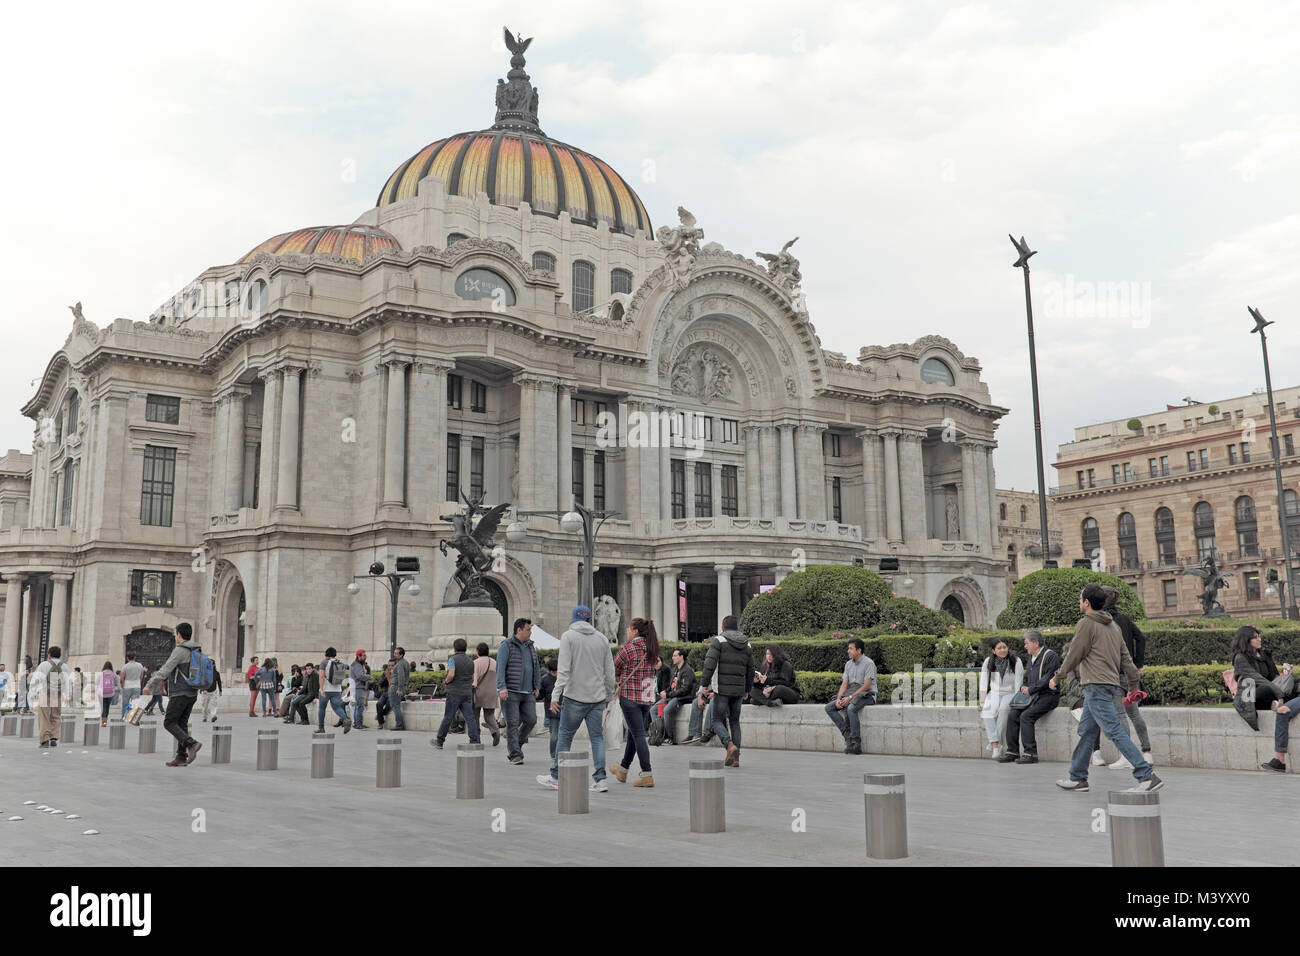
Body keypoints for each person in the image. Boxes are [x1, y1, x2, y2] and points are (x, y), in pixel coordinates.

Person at [1051, 584, 1162, 792]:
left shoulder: (1086, 624)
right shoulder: (1113, 626)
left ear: (1086, 602)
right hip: (1108, 684)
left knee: (1114, 730)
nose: (1079, 602)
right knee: (1086, 731)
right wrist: (1133, 684)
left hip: (1096, 686)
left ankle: (1146, 775)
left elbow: (1074, 654)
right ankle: (1078, 778)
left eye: (1080, 598)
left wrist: (1057, 678)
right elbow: (1126, 658)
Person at [538, 605, 617, 792]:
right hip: (597, 698)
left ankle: (556, 776)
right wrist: (608, 695)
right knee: (597, 737)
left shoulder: (568, 637)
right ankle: (600, 779)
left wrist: (555, 696)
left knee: (565, 736)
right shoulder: (602, 639)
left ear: (574, 619)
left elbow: (563, 671)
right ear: (589, 620)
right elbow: (610, 672)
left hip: (574, 697)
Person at [1099, 586, 1152, 769]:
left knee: (1120, 714)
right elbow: (1141, 638)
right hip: (1129, 672)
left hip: (1114, 673)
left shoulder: (1104, 621)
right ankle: (1146, 752)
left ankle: (1126, 755)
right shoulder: (1124, 618)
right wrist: (1139, 663)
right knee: (1134, 713)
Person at [145, 622, 205, 767]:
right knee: (181, 723)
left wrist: (150, 684)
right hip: (192, 692)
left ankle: (192, 744)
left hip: (180, 692)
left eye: (175, 634)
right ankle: (181, 756)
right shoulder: (196, 649)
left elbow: (165, 670)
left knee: (169, 722)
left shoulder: (180, 650)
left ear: (179, 635)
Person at [610, 618, 659, 788]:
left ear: (636, 631)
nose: (627, 632)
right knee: (634, 732)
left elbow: (614, 669)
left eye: (629, 629)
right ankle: (623, 770)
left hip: (630, 697)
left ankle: (647, 773)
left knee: (638, 734)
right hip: (646, 698)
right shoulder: (652, 648)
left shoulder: (628, 649)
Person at [999, 630, 1060, 764]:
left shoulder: (1050, 656)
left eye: (1027, 643)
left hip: (1048, 696)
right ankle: (1012, 751)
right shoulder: (1031, 658)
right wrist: (1024, 687)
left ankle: (1030, 753)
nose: (1025, 646)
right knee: (1013, 714)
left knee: (1026, 716)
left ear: (1036, 643)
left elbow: (1048, 677)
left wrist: (1031, 689)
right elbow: (1027, 678)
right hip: (1032, 696)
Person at [699, 615, 753, 768]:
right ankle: (736, 759)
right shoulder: (746, 644)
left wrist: (704, 683)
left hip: (721, 689)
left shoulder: (719, 641)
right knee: (735, 721)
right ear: (737, 627)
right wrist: (747, 689)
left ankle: (730, 746)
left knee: (716, 720)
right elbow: (750, 669)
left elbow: (709, 663)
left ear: (723, 627)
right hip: (738, 689)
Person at [1232, 625, 1296, 724]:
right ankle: (1281, 702)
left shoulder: (1264, 655)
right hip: (1250, 693)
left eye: (1259, 636)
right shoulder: (1240, 658)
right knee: (1265, 690)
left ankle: (1276, 704)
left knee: (1297, 684)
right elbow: (1256, 678)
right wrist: (1278, 692)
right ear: (1246, 640)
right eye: (1256, 637)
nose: (1259, 639)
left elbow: (1273, 676)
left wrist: (1284, 676)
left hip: (1271, 689)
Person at [497, 619, 541, 765]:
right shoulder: (506, 645)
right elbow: (500, 668)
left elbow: (535, 667)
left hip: (528, 692)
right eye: (528, 630)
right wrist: (501, 687)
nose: (530, 632)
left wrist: (537, 685)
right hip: (511, 691)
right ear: (519, 630)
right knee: (513, 723)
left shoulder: (530, 646)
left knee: (531, 720)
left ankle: (517, 745)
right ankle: (515, 754)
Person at [824, 637, 876, 755]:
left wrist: (850, 698)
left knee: (851, 708)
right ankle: (847, 735)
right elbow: (844, 683)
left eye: (851, 649)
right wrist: (839, 698)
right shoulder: (848, 664)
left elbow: (867, 686)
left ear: (859, 651)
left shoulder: (868, 663)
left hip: (867, 694)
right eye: (848, 648)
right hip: (853, 692)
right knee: (829, 707)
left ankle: (856, 742)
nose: (848, 651)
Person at [979, 639, 1024, 760]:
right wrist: (982, 702)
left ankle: (996, 743)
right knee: (987, 711)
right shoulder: (989, 662)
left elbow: (1018, 682)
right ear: (994, 651)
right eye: (999, 648)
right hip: (994, 693)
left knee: (1004, 710)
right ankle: (995, 745)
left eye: (1004, 647)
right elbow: (983, 682)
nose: (1003, 650)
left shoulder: (1016, 661)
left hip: (1010, 693)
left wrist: (1016, 699)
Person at [433, 639, 480, 749]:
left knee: (448, 716)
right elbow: (472, 678)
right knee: (470, 718)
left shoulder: (452, 659)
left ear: (454, 648)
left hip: (454, 692)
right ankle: (474, 740)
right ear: (465, 648)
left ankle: (440, 741)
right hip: (467, 693)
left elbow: (451, 674)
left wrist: (446, 681)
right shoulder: (470, 661)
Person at [31, 646, 71, 747]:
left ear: (49, 654)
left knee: (44, 716)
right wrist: (67, 695)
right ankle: (54, 737)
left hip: (45, 693)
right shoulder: (65, 666)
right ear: (60, 655)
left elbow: (36, 679)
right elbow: (67, 682)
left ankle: (45, 740)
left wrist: (33, 692)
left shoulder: (44, 665)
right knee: (56, 715)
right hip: (58, 694)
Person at [662, 648, 698, 745]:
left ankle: (670, 738)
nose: (672, 658)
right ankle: (660, 735)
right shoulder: (675, 670)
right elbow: (671, 686)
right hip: (674, 696)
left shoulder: (687, 670)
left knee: (667, 710)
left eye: (675, 655)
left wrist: (669, 694)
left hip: (683, 698)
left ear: (681, 657)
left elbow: (685, 690)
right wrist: (665, 692)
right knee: (654, 709)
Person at [471, 642, 501, 747]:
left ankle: (477, 737)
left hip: (479, 693)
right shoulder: (494, 662)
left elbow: (474, 681)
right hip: (492, 692)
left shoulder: (475, 663)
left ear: (478, 651)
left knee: (475, 716)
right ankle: (495, 731)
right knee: (489, 715)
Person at [317, 647, 353, 733]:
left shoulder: (324, 662)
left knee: (322, 708)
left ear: (326, 654)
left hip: (326, 689)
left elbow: (321, 676)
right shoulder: (339, 662)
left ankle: (321, 728)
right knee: (337, 707)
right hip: (337, 689)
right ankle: (345, 719)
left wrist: (321, 689)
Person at [539, 657, 559, 757]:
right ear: (550, 671)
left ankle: (559, 752)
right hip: (552, 711)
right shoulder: (545, 680)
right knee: (554, 734)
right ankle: (554, 753)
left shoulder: (564, 678)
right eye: (555, 672)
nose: (557, 674)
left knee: (560, 733)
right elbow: (540, 695)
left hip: (564, 709)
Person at [388, 646, 410, 732]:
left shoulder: (400, 663)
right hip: (399, 686)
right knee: (396, 705)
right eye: (395, 653)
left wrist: (400, 688)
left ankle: (399, 724)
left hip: (396, 686)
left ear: (401, 655)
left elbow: (401, 677)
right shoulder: (405, 662)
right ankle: (399, 724)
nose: (394, 655)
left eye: (396, 653)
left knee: (395, 705)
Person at [349, 651, 373, 729]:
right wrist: (369, 677)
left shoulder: (358, 664)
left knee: (358, 706)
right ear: (358, 656)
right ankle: (358, 724)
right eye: (363, 656)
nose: (365, 657)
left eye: (365, 655)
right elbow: (360, 676)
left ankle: (357, 723)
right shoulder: (357, 665)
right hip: (358, 687)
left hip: (356, 687)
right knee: (360, 706)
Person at [292, 662, 320, 726]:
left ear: (312, 669)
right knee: (294, 703)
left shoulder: (315, 675)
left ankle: (306, 720)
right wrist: (298, 693)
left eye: (310, 669)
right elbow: (304, 687)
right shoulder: (307, 675)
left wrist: (316, 697)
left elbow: (316, 687)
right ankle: (303, 719)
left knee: (301, 703)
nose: (308, 670)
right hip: (307, 693)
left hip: (312, 694)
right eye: (307, 669)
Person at [120, 653, 145, 718]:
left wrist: (122, 685)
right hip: (137, 685)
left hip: (127, 686)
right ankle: (134, 717)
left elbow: (122, 677)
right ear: (135, 657)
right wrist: (139, 682)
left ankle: (124, 716)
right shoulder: (140, 665)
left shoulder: (125, 666)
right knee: (135, 703)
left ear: (127, 658)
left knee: (125, 703)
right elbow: (141, 675)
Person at [374, 659, 393, 729]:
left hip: (393, 694)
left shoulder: (397, 673)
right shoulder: (385, 673)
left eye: (392, 665)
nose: (391, 667)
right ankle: (380, 723)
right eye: (389, 665)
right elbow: (381, 684)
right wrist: (387, 676)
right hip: (385, 693)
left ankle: (379, 714)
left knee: (389, 705)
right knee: (379, 704)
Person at [98, 662, 118, 727]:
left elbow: (97, 682)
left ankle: (104, 722)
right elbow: (116, 683)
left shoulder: (101, 674)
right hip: (110, 693)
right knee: (107, 707)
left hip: (102, 693)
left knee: (103, 707)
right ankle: (105, 720)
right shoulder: (113, 674)